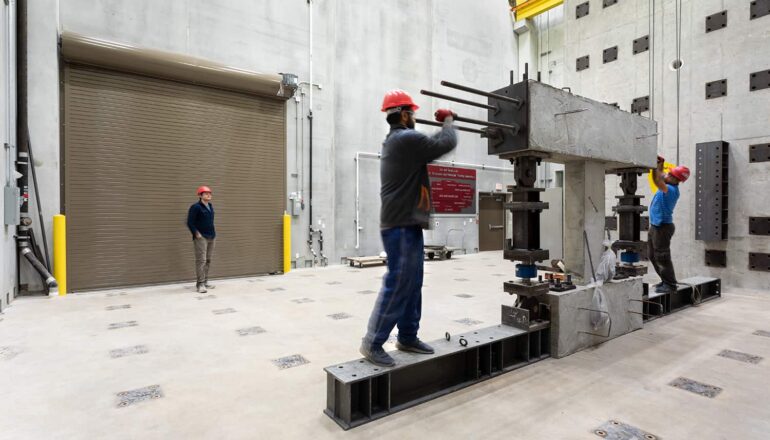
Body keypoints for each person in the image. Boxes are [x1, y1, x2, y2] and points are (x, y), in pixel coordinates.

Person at [359, 89, 458, 367]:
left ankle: (408, 336)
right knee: (399, 282)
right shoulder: (405, 139)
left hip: (407, 224)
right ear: (403, 115)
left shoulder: (400, 142)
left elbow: (433, 145)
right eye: (412, 113)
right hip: (400, 225)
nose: (414, 117)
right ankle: (372, 342)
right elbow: (444, 143)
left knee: (412, 283)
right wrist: (448, 120)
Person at [649, 156, 690, 294]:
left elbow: (657, 180)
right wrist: (660, 164)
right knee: (652, 255)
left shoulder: (670, 190)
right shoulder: (668, 183)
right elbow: (660, 175)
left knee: (662, 256)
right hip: (655, 226)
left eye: (670, 175)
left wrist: (654, 167)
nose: (667, 175)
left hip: (662, 227)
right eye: (668, 173)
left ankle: (670, 285)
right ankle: (664, 280)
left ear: (676, 180)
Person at [187, 185, 216, 293]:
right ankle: (200, 284)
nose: (209, 195)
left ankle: (205, 281)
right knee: (201, 260)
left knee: (208, 260)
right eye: (206, 193)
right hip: (201, 237)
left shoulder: (210, 206)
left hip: (211, 236)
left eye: (210, 193)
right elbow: (190, 222)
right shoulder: (196, 207)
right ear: (200, 195)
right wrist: (196, 233)